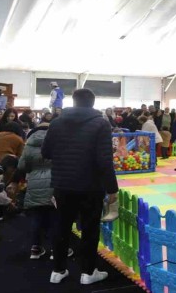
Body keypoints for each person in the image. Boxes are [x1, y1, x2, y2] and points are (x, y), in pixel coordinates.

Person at [42, 88, 118, 285]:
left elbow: (46, 152)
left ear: (73, 101)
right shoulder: (101, 124)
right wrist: (112, 188)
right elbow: (104, 160)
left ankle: (58, 270)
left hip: (62, 183)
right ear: (93, 102)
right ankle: (88, 272)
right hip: (91, 186)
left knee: (62, 227)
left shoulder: (56, 123)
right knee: (90, 229)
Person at [18, 114, 56, 259]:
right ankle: (56, 250)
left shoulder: (28, 145)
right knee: (55, 218)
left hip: (34, 182)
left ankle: (35, 248)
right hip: (54, 182)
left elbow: (22, 166)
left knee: (36, 217)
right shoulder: (58, 143)